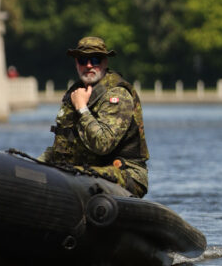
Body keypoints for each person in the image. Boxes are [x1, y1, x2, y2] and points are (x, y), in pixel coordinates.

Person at [37, 36, 149, 197]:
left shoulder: (117, 95)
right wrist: (33, 165)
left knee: (79, 179)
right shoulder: (75, 93)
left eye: (95, 60)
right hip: (81, 171)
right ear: (76, 63)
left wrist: (82, 108)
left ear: (105, 62)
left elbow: (103, 144)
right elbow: (62, 146)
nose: (89, 65)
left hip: (123, 174)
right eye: (83, 60)